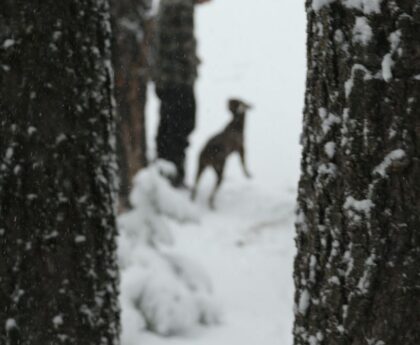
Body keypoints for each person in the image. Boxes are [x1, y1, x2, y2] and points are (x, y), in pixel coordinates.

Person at [153, 0, 211, 187]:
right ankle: (173, 175)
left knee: (168, 127)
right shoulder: (182, 6)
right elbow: (183, 44)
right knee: (180, 126)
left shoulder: (170, 4)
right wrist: (192, 62)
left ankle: (167, 172)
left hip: (166, 78)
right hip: (178, 80)